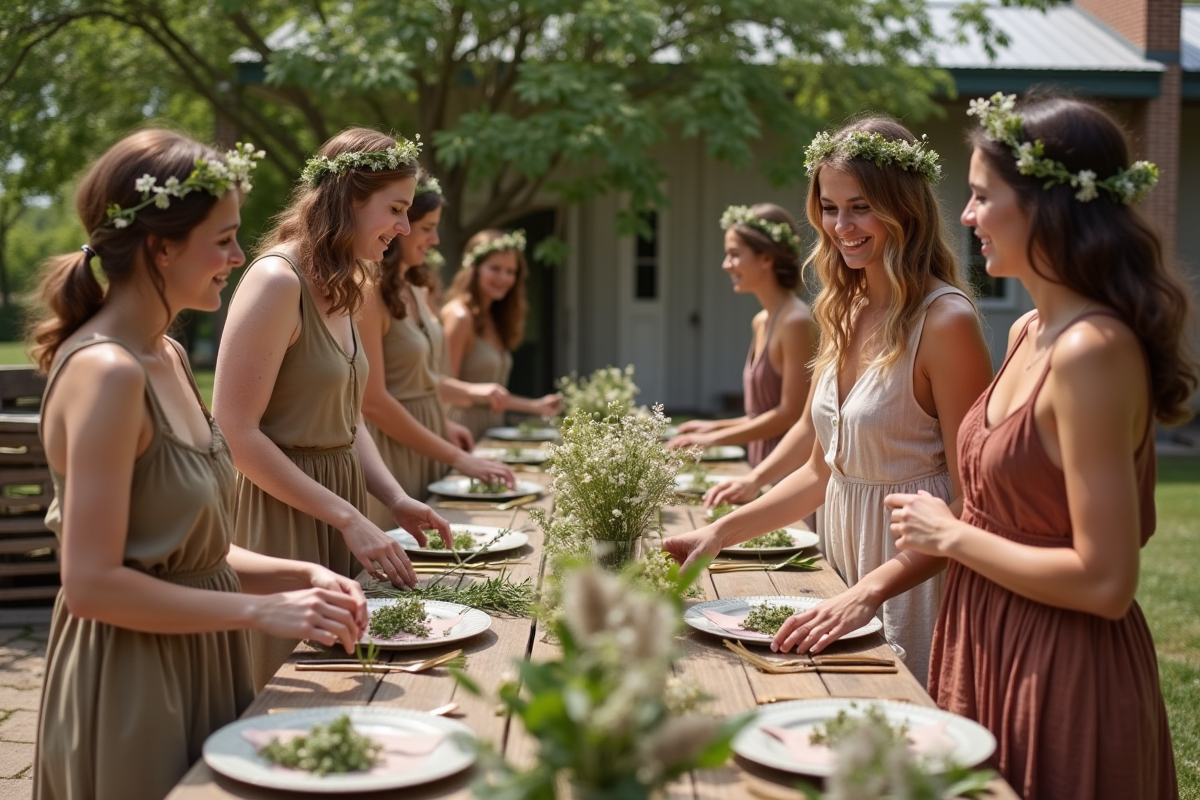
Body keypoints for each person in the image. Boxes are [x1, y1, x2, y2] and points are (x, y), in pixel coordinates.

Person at [28, 130, 369, 800]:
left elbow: (188, 552)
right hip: (133, 678)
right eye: (223, 238)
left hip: (203, 657)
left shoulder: (173, 358)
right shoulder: (106, 373)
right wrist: (258, 615)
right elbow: (94, 583)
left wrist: (300, 573)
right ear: (161, 246)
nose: (239, 257)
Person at [886, 93, 1192, 798]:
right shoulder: (1027, 330)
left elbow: (1106, 582)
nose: (965, 217)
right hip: (986, 635)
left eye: (981, 196)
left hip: (1058, 664)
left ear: (1046, 207)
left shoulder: (1092, 351)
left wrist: (949, 536)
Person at [664, 119, 994, 686]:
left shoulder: (947, 323)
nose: (842, 226)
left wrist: (868, 593)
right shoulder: (843, 308)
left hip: (911, 582)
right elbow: (821, 473)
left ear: (904, 208)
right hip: (841, 565)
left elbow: (972, 508)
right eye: (830, 207)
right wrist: (718, 533)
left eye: (860, 207)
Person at [214, 129, 451, 689]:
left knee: (353, 683)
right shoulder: (276, 281)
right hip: (281, 512)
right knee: (287, 690)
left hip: (342, 503)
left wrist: (392, 498)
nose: (402, 226)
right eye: (394, 209)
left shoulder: (351, 280)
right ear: (346, 198)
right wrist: (347, 517)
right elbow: (236, 432)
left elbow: (349, 419)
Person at [360, 172, 516, 511]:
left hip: (427, 440)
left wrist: (441, 422)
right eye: (428, 228)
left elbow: (418, 379)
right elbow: (371, 401)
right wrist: (458, 457)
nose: (435, 240)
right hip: (392, 450)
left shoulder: (415, 288)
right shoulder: (371, 293)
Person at [665, 204, 812, 468]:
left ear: (766, 258)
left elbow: (791, 414)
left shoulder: (796, 322)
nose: (725, 265)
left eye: (734, 254)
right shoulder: (761, 321)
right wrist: (710, 428)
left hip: (787, 471)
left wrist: (713, 440)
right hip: (759, 466)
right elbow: (762, 415)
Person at [441, 228, 562, 440]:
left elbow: (494, 394)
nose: (503, 278)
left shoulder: (494, 318)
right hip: (461, 433)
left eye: (510, 271)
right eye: (495, 268)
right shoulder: (460, 317)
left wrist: (537, 406)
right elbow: (446, 390)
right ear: (474, 268)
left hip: (491, 431)